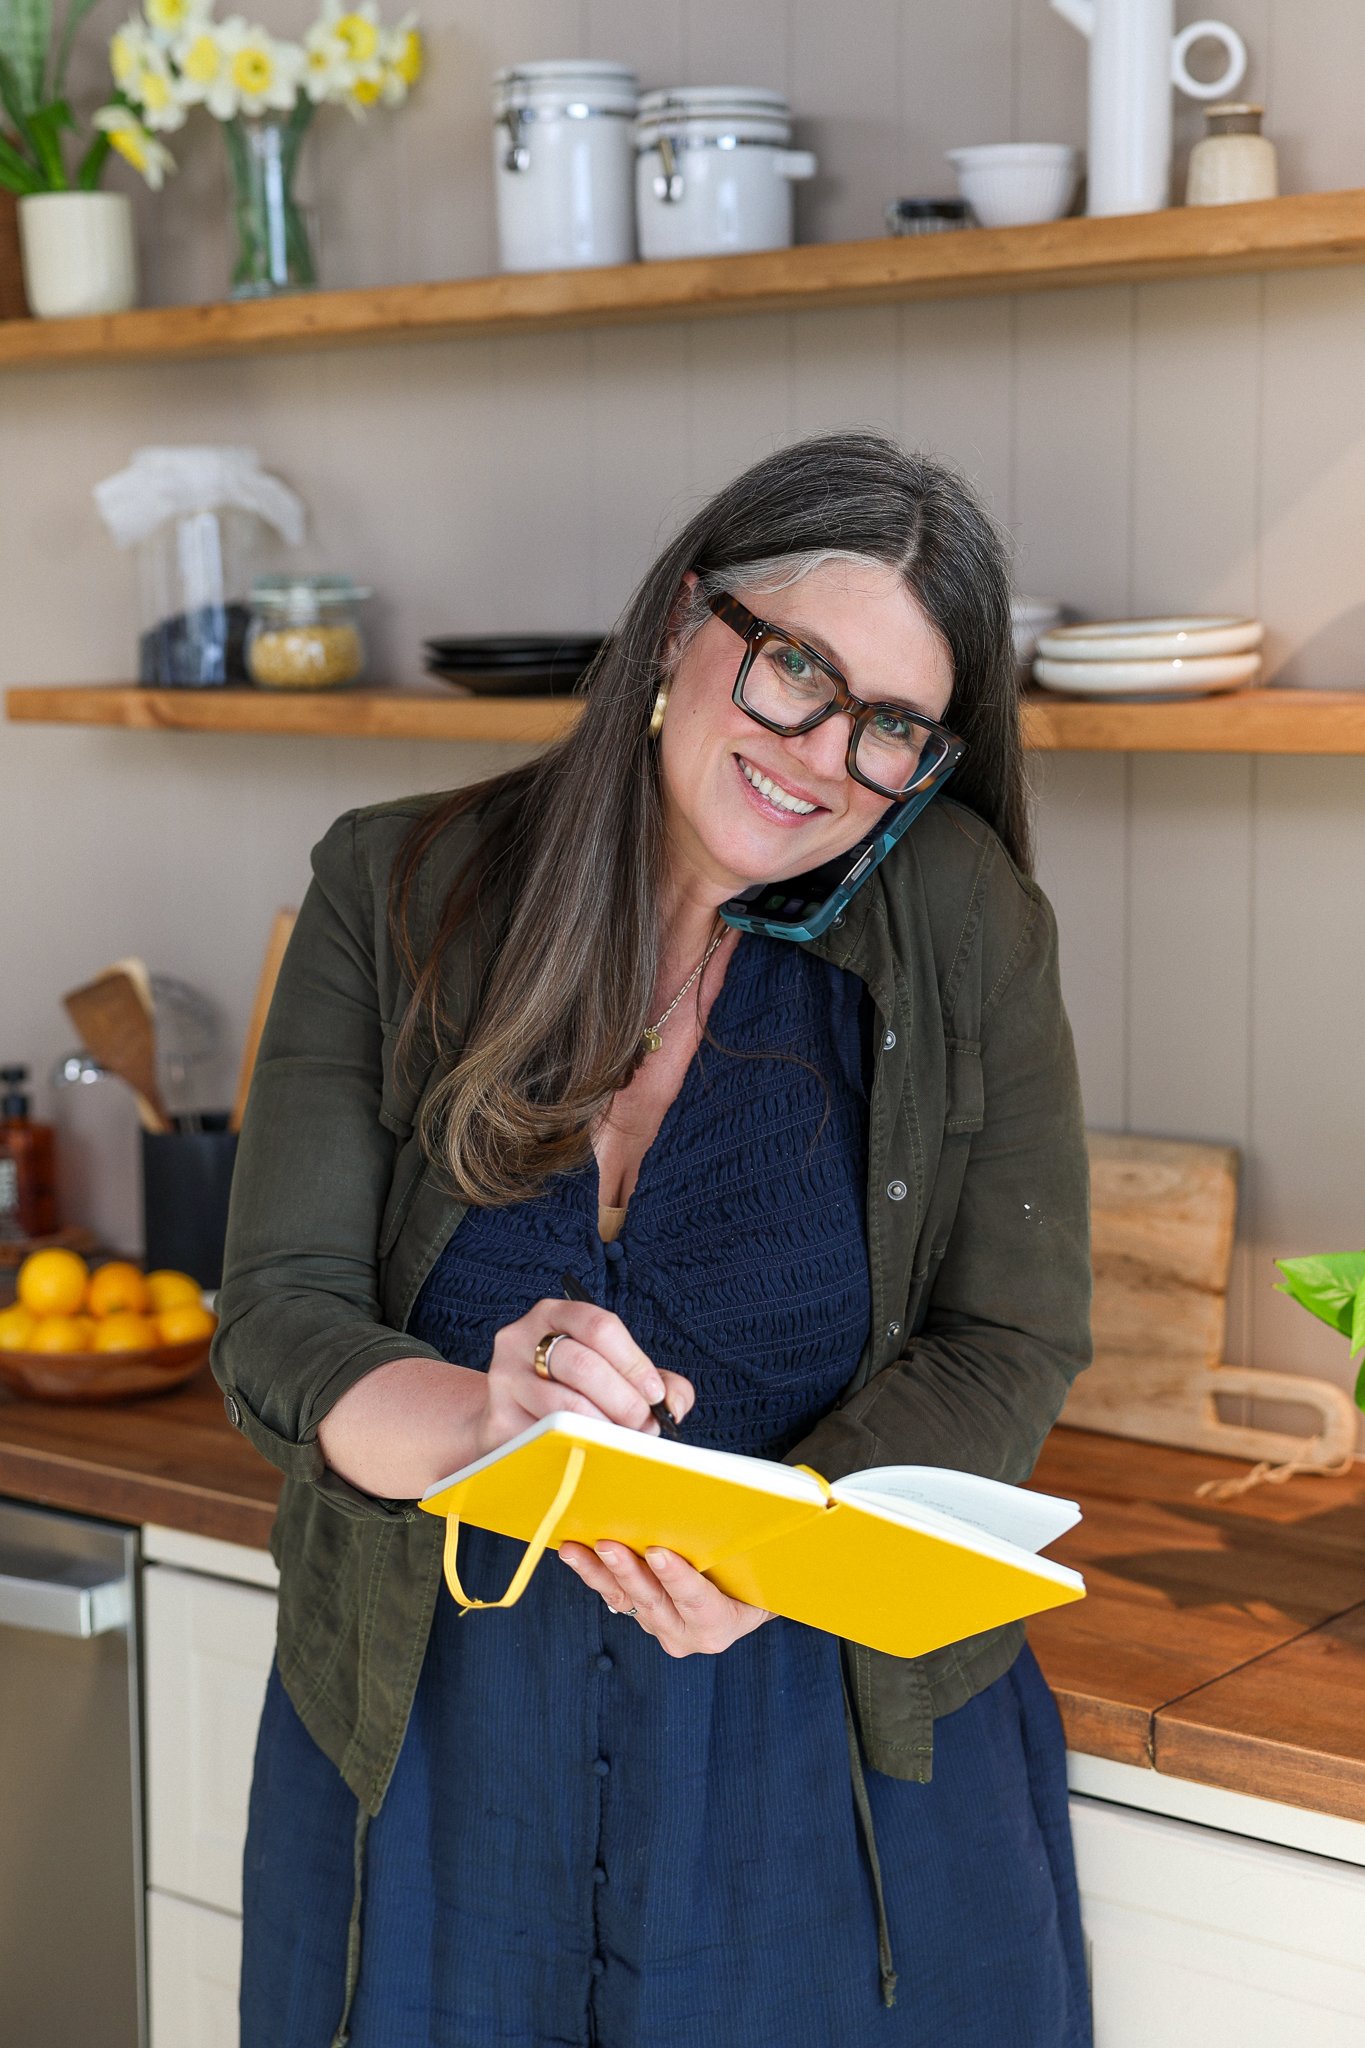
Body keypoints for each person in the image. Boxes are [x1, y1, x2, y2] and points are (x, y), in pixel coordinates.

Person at [214, 430, 1094, 2048]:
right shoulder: (398, 884)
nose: (824, 755)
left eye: (893, 724)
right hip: (434, 1756)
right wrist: (481, 1419)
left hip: (832, 1776)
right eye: (793, 675)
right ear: (684, 626)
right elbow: (278, 1315)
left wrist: (790, 1547)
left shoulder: (962, 916)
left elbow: (1011, 1335)